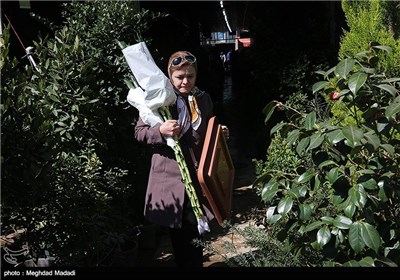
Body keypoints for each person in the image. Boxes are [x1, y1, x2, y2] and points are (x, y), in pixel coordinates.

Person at [134, 51, 229, 267]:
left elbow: (205, 133)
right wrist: (161, 130)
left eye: (191, 76)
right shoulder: (159, 98)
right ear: (170, 76)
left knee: (196, 234)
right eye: (179, 77)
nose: (185, 81)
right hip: (172, 179)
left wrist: (219, 134)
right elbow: (140, 132)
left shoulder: (202, 99)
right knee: (181, 236)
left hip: (196, 178)